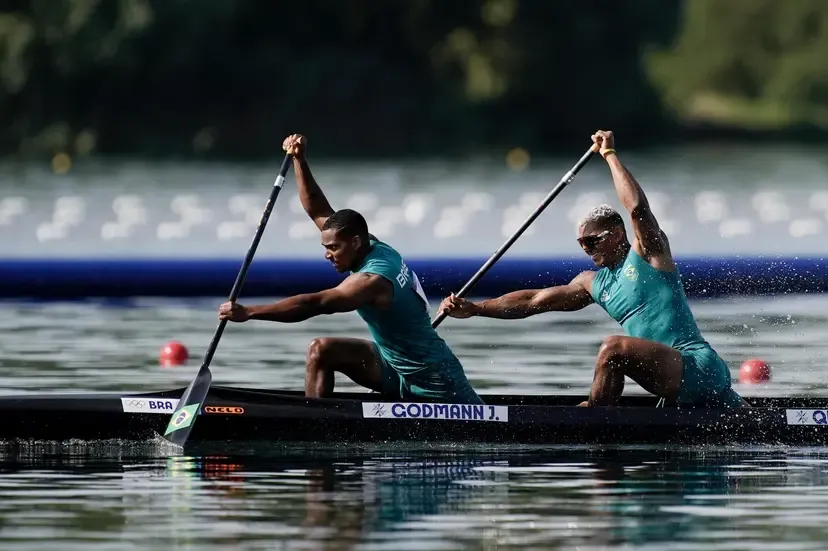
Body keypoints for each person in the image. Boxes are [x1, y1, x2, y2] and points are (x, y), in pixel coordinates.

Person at [438, 129, 746, 409]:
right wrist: (476, 309)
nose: (586, 249)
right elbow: (533, 301)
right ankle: (598, 417)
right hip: (672, 382)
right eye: (581, 243)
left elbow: (638, 208)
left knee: (613, 348)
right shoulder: (593, 283)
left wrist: (609, 154)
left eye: (591, 241)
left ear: (617, 234)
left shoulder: (650, 254)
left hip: (698, 367)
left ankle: (594, 422)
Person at [218, 134, 483, 405]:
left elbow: (316, 304)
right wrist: (300, 160)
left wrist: (250, 312)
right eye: (326, 247)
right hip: (393, 366)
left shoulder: (372, 280)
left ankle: (313, 422)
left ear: (355, 242)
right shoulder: (370, 245)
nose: (327, 254)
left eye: (333, 248)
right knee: (321, 350)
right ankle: (315, 421)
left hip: (436, 380)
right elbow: (318, 210)